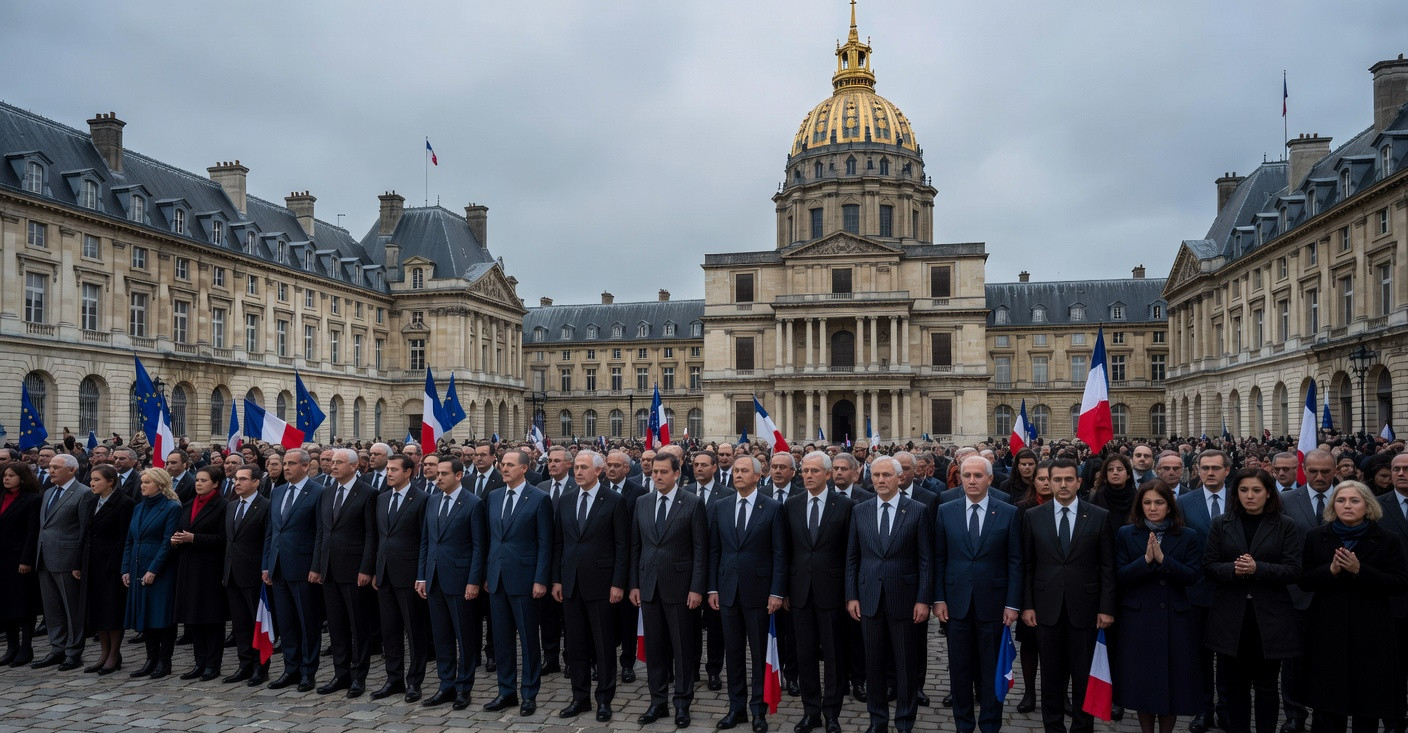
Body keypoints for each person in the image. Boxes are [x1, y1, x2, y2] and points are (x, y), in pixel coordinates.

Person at [1298, 480, 1408, 733]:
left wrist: (1361, 571)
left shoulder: (1387, 539)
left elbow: (1400, 583)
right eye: (1341, 500)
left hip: (1371, 630)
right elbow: (1303, 581)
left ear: (1368, 506)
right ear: (1332, 505)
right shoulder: (1317, 536)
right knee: (1328, 703)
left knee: (1367, 704)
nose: (1347, 505)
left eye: (1354, 500)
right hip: (1328, 629)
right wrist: (1331, 570)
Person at [1203, 468, 1303, 733]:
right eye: (1244, 490)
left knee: (1267, 685)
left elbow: (1294, 570)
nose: (1250, 496)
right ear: (1236, 493)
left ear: (1268, 493)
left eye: (1256, 490)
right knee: (1235, 684)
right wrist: (1234, 570)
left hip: (1269, 617)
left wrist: (1258, 568)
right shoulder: (1222, 523)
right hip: (1231, 615)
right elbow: (1210, 566)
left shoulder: (1285, 525)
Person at [1021, 457, 1115, 733]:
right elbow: (1027, 565)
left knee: (1084, 677)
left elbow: (1108, 567)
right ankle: (1053, 727)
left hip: (1085, 610)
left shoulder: (1098, 516)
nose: (1063, 485)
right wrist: (1027, 605)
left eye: (1068, 479)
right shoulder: (1032, 516)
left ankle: (1082, 727)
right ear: (1048, 482)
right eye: (1057, 480)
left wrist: (1106, 608)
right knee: (1051, 677)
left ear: (1079, 482)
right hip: (1045, 609)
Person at [932, 455, 1023, 733]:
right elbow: (939, 559)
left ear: (990, 479)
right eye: (967, 475)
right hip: (956, 604)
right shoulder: (946, 510)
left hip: (994, 606)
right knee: (959, 669)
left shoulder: (1008, 512)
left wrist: (1012, 603)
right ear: (960, 478)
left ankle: (990, 724)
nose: (972, 481)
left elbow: (1015, 561)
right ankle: (963, 724)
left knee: (990, 670)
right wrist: (939, 598)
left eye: (978, 476)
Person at [846, 455, 933, 733]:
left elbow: (926, 560)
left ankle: (905, 721)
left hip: (905, 601)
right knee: (874, 665)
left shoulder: (918, 510)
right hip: (869, 598)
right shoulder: (860, 510)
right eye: (876, 475)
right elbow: (852, 557)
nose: (880, 480)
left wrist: (923, 599)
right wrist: (852, 596)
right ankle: (877, 720)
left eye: (886, 475)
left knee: (906, 665)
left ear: (900, 478)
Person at [1114, 480, 1204, 733]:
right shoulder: (1126, 533)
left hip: (1175, 619)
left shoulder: (1188, 535)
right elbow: (1120, 575)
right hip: (1139, 617)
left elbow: (1193, 575)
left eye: (1159, 502)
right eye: (1147, 503)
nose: (1153, 508)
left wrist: (1164, 561)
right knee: (1143, 682)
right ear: (1140, 505)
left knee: (1172, 683)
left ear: (1169, 505)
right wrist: (1145, 561)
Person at [708, 452, 786, 733]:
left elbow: (780, 554)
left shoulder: (773, 507)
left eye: (744, 470)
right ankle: (736, 708)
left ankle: (758, 710)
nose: (738, 474)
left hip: (760, 593)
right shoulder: (721, 506)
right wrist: (713, 587)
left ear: (758, 475)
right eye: (736, 470)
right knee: (734, 653)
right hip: (728, 591)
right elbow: (715, 550)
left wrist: (777, 592)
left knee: (759, 655)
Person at [630, 451, 707, 728]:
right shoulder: (642, 502)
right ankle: (657, 702)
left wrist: (697, 588)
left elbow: (700, 550)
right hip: (649, 587)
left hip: (681, 588)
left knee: (683, 650)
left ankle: (682, 704)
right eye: (654, 472)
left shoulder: (693, 503)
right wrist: (634, 585)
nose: (658, 476)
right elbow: (635, 547)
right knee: (655, 648)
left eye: (664, 472)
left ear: (677, 473)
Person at [552, 449, 629, 722]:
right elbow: (559, 543)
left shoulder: (614, 501)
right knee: (576, 645)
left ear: (599, 471)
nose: (578, 472)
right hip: (571, 583)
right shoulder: (566, 499)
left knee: (604, 646)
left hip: (602, 584)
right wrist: (557, 579)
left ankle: (604, 699)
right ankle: (580, 697)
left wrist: (618, 583)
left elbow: (622, 546)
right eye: (576, 467)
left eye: (584, 467)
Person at [788, 452, 855, 733]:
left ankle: (832, 713)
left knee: (834, 657)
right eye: (804, 471)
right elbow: (786, 551)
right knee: (804, 656)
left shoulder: (846, 506)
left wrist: (850, 593)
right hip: (800, 592)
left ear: (828, 475)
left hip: (833, 592)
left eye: (814, 471)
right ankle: (810, 711)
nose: (808, 476)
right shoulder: (791, 505)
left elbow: (852, 554)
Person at [484, 449, 553, 716]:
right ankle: (506, 691)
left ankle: (529, 693)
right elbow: (491, 539)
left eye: (510, 465)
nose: (504, 468)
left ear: (524, 468)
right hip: (498, 579)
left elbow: (545, 543)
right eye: (503, 464)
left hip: (526, 580)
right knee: (501, 640)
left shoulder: (539, 499)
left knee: (528, 639)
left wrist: (540, 579)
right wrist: (488, 575)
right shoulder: (493, 497)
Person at [417, 457, 488, 711]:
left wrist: (473, 581)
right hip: (434, 578)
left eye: (444, 474)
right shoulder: (432, 500)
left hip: (461, 580)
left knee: (465, 637)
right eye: (437, 473)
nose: (438, 478)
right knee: (441, 636)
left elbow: (479, 546)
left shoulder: (473, 503)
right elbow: (426, 541)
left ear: (458, 476)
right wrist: (422, 575)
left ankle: (463, 688)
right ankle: (445, 685)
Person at [312, 448, 378, 698]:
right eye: (332, 462)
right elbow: (322, 532)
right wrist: (317, 565)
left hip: (354, 569)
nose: (334, 466)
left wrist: (366, 568)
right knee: (337, 625)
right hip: (329, 568)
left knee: (358, 625)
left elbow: (371, 534)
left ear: (354, 466)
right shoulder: (327, 492)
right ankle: (340, 673)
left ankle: (358, 676)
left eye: (339, 462)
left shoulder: (368, 493)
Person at [1179, 449, 1235, 733]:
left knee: (1229, 656)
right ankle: (1203, 710)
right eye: (1205, 468)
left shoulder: (1241, 498)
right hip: (1197, 590)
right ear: (1197, 471)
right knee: (1200, 657)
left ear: (1227, 470)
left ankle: (1226, 709)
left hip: (1233, 589)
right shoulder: (1184, 502)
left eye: (1216, 468)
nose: (1210, 473)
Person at [263, 448, 324, 692]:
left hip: (303, 567)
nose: (286, 467)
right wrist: (267, 565)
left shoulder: (318, 492)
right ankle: (291, 668)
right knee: (286, 623)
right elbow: (271, 532)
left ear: (306, 466)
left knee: (307, 622)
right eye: (284, 463)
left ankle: (308, 672)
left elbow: (320, 533)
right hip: (278, 567)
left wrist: (316, 566)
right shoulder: (277, 493)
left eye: (291, 463)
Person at [371, 455, 430, 703]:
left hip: (409, 574)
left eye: (394, 469)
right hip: (385, 573)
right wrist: (376, 569)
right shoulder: (382, 498)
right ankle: (393, 678)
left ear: (409, 472)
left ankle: (414, 681)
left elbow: (425, 540)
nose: (389, 473)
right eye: (387, 469)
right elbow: (378, 537)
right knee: (390, 630)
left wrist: (421, 575)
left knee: (414, 631)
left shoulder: (423, 499)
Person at [122, 468, 183, 679]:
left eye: (147, 482)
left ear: (160, 484)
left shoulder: (171, 507)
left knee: (162, 617)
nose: (142, 486)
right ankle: (150, 659)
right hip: (138, 567)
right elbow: (130, 539)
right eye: (142, 482)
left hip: (160, 570)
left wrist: (153, 570)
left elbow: (168, 542)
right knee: (145, 615)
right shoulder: (139, 507)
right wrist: (126, 569)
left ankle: (164, 662)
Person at [170, 465, 229, 681]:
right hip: (188, 567)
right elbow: (181, 529)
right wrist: (176, 540)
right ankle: (199, 662)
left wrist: (194, 538)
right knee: (193, 618)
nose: (198, 483)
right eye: (197, 480)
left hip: (210, 569)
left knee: (211, 619)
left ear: (215, 483)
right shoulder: (187, 505)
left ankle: (213, 665)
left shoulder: (223, 506)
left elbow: (223, 539)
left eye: (204, 480)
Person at [34, 453, 89, 670]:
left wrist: (78, 562)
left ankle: (74, 651)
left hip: (67, 559)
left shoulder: (83, 494)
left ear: (72, 470)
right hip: (45, 557)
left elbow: (83, 530)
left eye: (56, 467)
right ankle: (56, 647)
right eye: (50, 467)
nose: (51, 470)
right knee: (52, 608)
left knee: (71, 608)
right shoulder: (48, 492)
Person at [689, 449, 734, 692]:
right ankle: (692, 667)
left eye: (704, 465)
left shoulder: (727, 495)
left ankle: (714, 670)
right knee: (690, 624)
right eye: (695, 464)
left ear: (715, 468)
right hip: (689, 571)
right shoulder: (684, 492)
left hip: (716, 571)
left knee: (716, 627)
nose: (699, 469)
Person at [1011, 460, 1054, 714]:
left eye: (1052, 478)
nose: (1047, 483)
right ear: (1034, 482)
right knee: (1029, 645)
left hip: (1060, 586)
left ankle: (1060, 693)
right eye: (1042, 479)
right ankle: (1029, 691)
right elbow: (1020, 556)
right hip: (1033, 586)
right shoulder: (1023, 509)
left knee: (1061, 648)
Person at [223, 465, 271, 686]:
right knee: (240, 624)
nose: (237, 483)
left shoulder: (265, 506)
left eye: (243, 479)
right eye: (235, 479)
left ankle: (261, 667)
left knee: (257, 622)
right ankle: (244, 664)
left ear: (256, 482)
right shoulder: (231, 506)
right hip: (232, 573)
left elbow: (267, 541)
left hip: (254, 574)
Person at [603, 449, 648, 682]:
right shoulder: (598, 489)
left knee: (627, 620)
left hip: (628, 562)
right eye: (608, 465)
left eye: (616, 466)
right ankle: (601, 662)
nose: (611, 469)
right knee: (604, 621)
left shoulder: (638, 493)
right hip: (601, 566)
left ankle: (628, 663)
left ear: (627, 469)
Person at [0, 461, 42, 667]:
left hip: (19, 560)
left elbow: (32, 532)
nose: (6, 478)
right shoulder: (2, 497)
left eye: (11, 475)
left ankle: (26, 647)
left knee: (24, 604)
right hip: (2, 559)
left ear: (22, 478)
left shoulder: (32, 500)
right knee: (5, 604)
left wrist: (26, 560)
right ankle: (12, 647)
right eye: (5, 475)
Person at [1090, 453, 1138, 535]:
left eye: (1119, 469)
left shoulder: (1137, 497)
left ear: (1128, 475)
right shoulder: (1098, 497)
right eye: (1110, 470)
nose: (1115, 472)